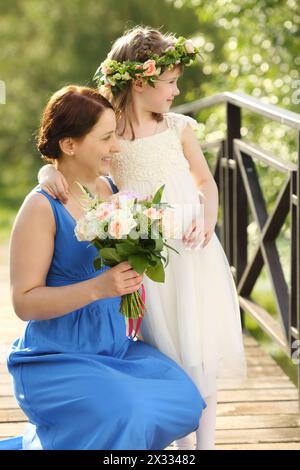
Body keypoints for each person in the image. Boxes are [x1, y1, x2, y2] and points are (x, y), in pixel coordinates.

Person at [38, 26, 247, 450]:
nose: (176, 90)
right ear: (140, 82)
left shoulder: (179, 128)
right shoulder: (112, 140)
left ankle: (203, 448)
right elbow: (76, 167)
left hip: (192, 252)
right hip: (148, 261)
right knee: (164, 353)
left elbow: (207, 184)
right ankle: (173, 444)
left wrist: (208, 217)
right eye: (170, 82)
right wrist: (47, 172)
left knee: (199, 352)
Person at [2, 85, 206, 450]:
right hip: (58, 357)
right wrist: (98, 288)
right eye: (107, 137)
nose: (116, 146)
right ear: (70, 145)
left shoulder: (112, 189)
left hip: (115, 348)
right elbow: (23, 302)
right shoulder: (41, 207)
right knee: (131, 412)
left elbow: (174, 175)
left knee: (184, 400)